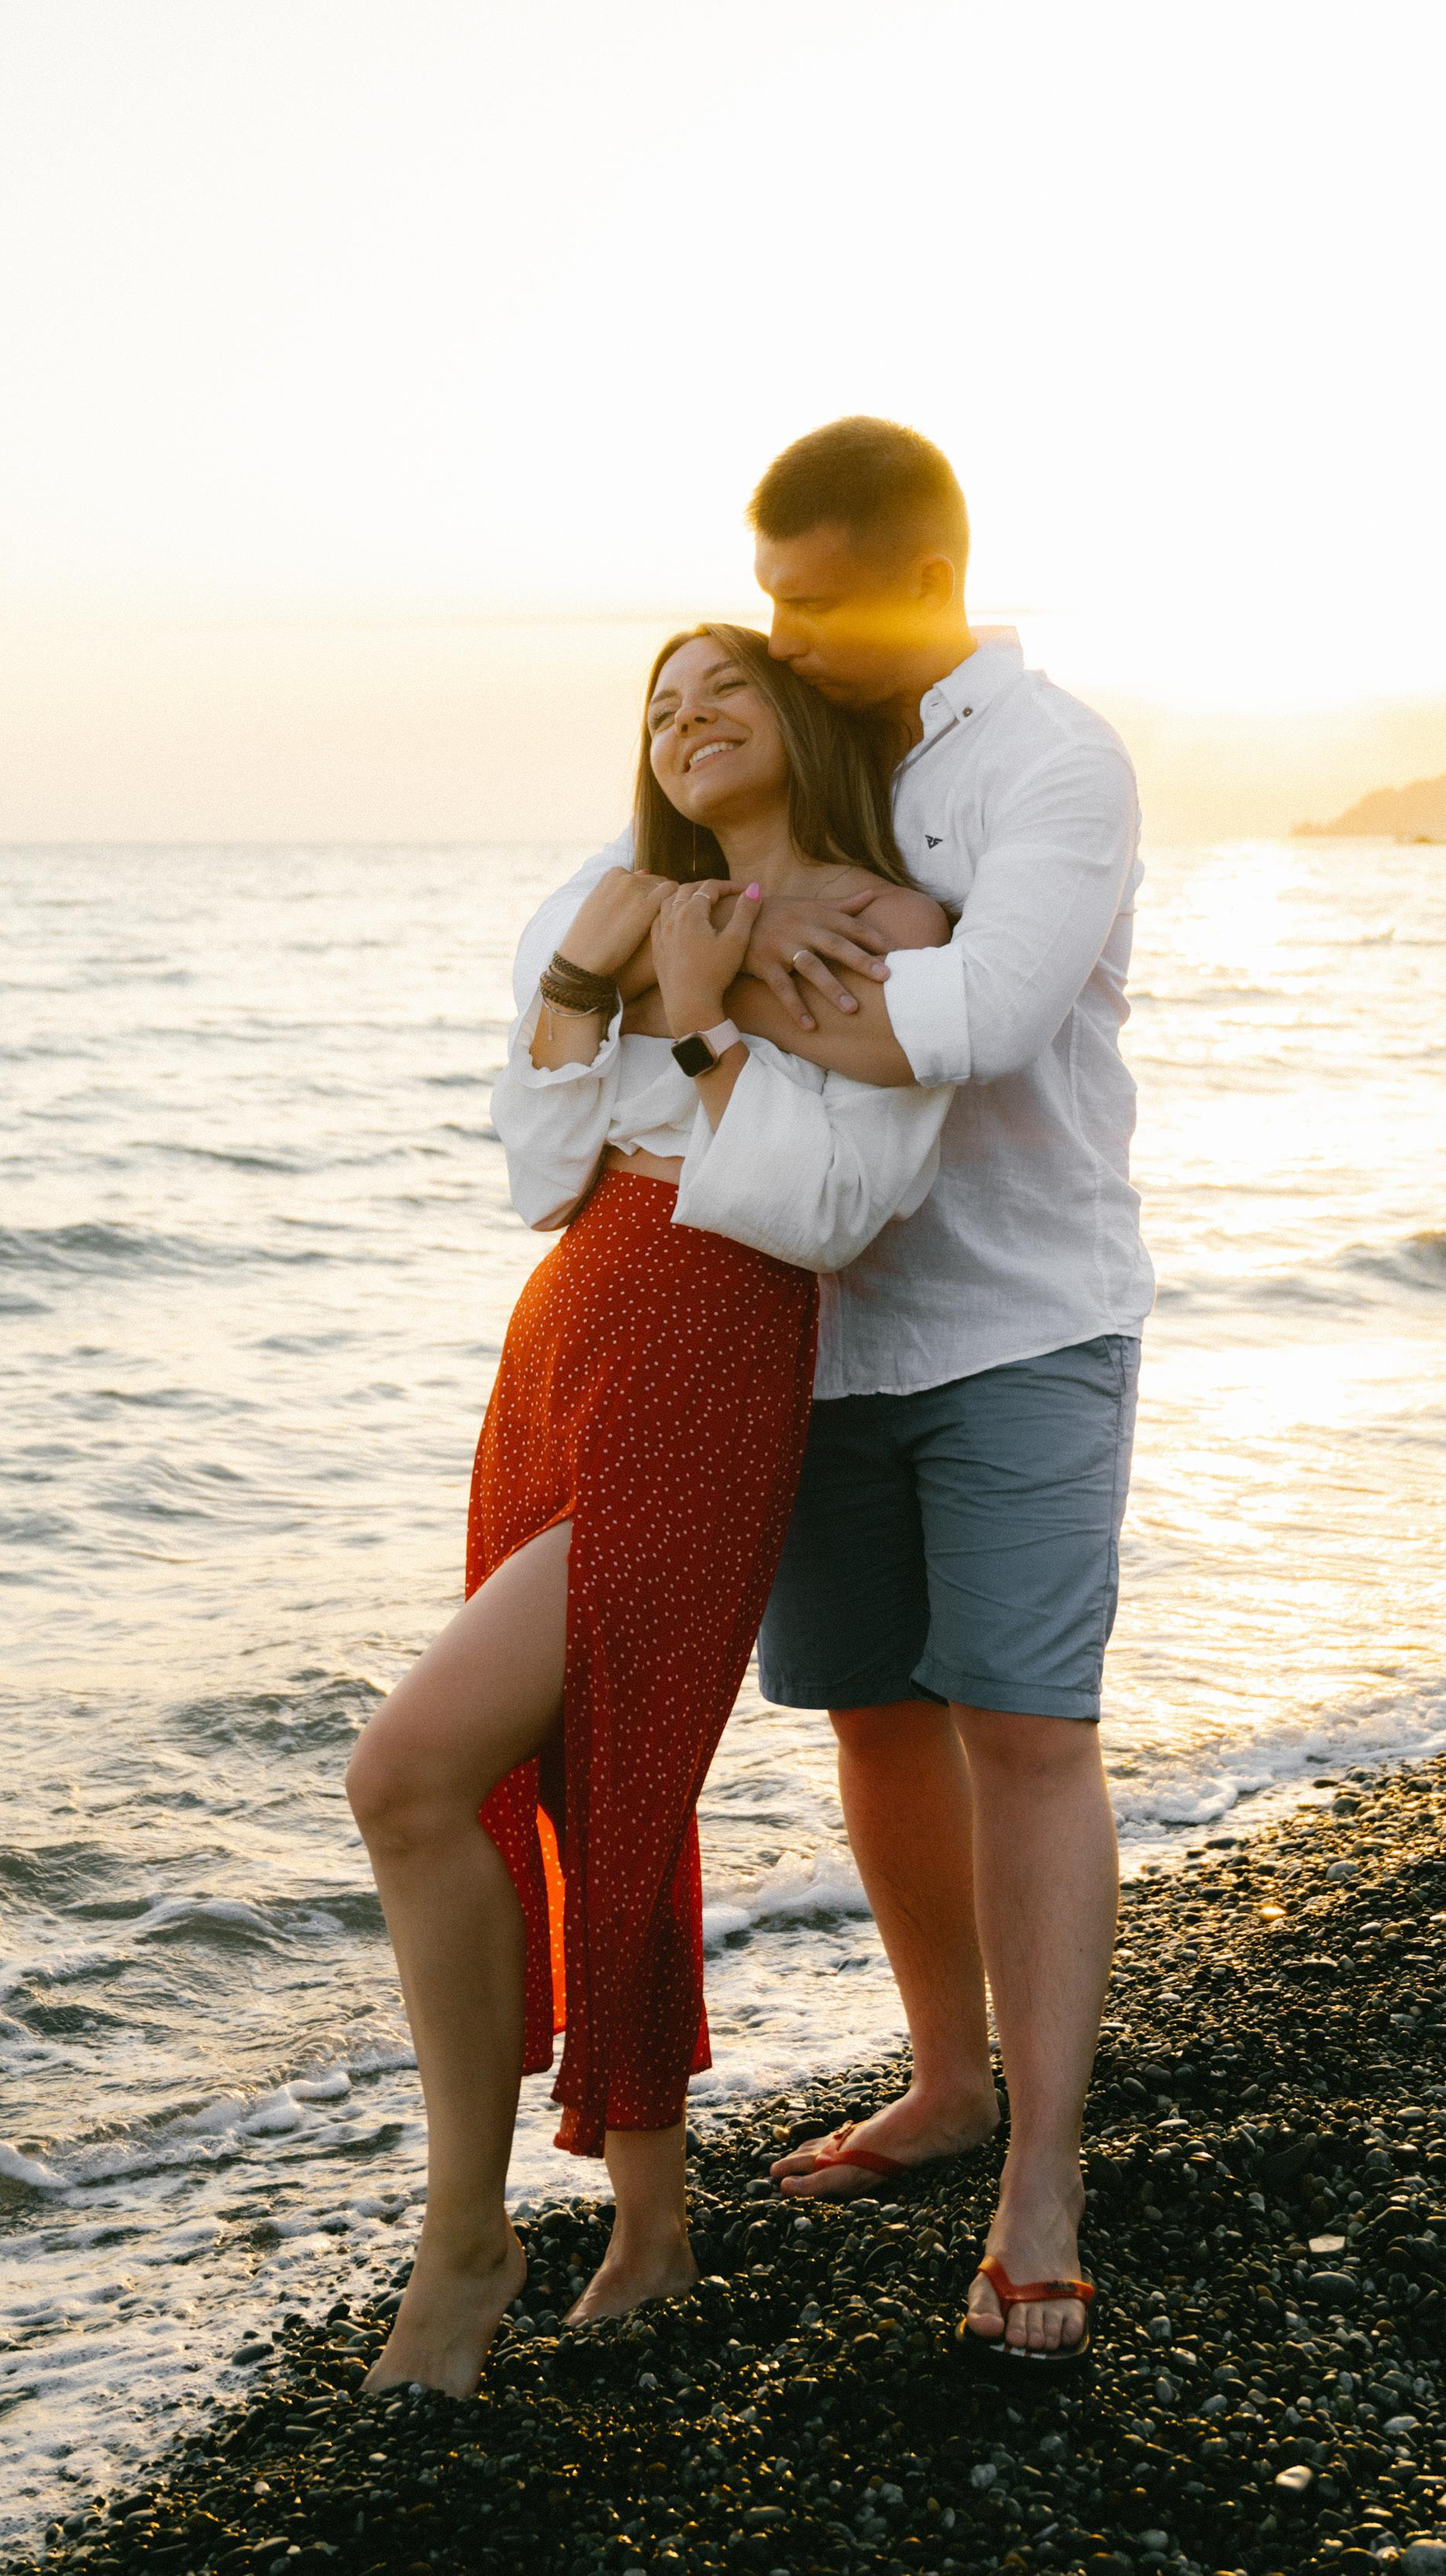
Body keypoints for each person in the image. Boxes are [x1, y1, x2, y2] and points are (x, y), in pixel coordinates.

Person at [515, 418, 1153, 2367]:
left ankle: (1038, 2177)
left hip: (1018, 1315)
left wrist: (744, 973)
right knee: (872, 1721)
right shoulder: (829, 749)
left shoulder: (1050, 761)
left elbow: (957, 1017)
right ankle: (944, 2080)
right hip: (811, 1337)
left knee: (1024, 1731)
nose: (771, 636)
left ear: (906, 579)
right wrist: (727, 937)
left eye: (800, 600)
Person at [346, 623, 954, 2398]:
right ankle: (648, 2222)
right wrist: (575, 984)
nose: (683, 724)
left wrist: (691, 1019)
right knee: (582, 1776)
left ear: (800, 720)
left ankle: (466, 2234)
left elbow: (824, 1212)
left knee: (408, 1774)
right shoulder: (602, 891)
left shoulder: (885, 924)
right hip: (566, 1332)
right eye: (656, 704)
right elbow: (542, 1178)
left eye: (723, 693)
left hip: (710, 1343)